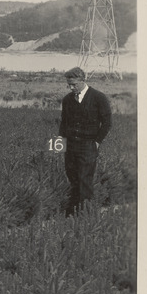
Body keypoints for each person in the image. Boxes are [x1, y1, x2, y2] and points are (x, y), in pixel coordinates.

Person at [57, 66, 112, 216]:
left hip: (88, 145)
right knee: (72, 176)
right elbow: (63, 123)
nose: (71, 87)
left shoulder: (98, 97)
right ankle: (72, 212)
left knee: (84, 179)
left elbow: (107, 122)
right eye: (69, 84)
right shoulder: (67, 99)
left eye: (74, 84)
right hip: (70, 145)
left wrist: (97, 142)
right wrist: (58, 146)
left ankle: (85, 215)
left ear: (83, 81)